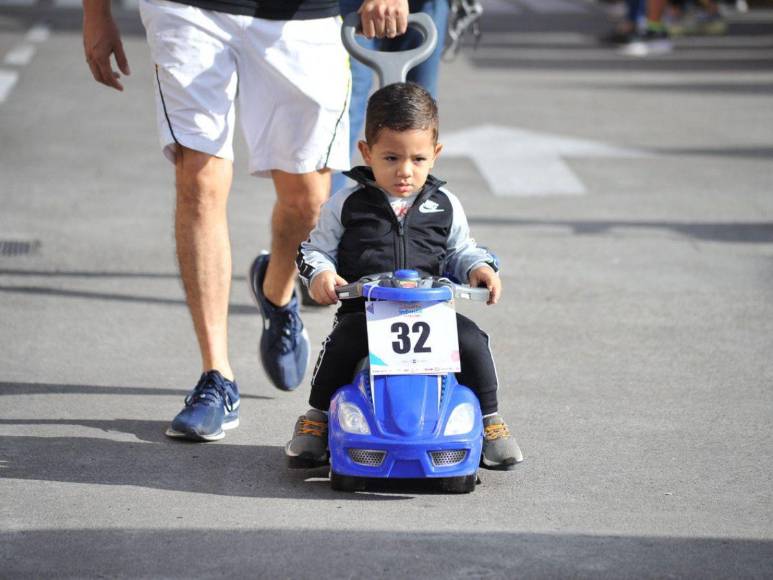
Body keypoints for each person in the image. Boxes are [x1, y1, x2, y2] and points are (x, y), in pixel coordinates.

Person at [81, 0, 409, 441]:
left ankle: (275, 292)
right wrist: (95, 11)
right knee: (199, 181)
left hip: (301, 15)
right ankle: (216, 376)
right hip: (187, 10)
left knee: (309, 200)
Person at [288, 82, 524, 469]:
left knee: (473, 339)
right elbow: (314, 250)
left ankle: (490, 418)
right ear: (366, 153)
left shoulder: (445, 204)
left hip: (429, 314)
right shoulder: (345, 204)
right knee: (342, 342)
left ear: (435, 154)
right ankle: (316, 417)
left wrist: (479, 268)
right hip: (365, 312)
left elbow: (461, 249)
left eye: (417, 159)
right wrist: (322, 274)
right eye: (391, 158)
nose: (404, 171)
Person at [331, 0, 449, 194]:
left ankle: (418, 216)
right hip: (352, 8)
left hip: (425, 6)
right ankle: (328, 217)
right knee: (342, 116)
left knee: (420, 121)